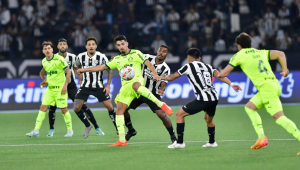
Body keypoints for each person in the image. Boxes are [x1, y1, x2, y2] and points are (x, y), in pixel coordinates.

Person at [77, 35, 173, 147]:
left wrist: (155, 74)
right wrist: (84, 70)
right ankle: (122, 140)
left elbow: (148, 63)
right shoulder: (117, 59)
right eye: (118, 45)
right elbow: (102, 67)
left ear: (127, 44)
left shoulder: (136, 53)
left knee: (136, 86)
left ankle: (162, 104)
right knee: (119, 111)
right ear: (117, 46)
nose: (121, 46)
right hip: (125, 88)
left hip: (137, 82)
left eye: (122, 44)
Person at [218, 32, 300, 152]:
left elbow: (224, 74)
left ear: (239, 46)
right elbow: (280, 54)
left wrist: (217, 74)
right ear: (251, 44)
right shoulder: (260, 52)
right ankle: (261, 137)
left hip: (267, 88)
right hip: (273, 85)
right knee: (250, 107)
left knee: (279, 118)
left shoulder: (239, 55)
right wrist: (285, 70)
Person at [162, 48, 241, 149]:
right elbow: (220, 76)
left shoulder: (188, 66)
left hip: (203, 99)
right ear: (199, 58)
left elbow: (172, 77)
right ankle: (212, 142)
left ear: (188, 59)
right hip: (214, 98)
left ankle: (180, 143)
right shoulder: (208, 66)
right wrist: (232, 84)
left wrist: (163, 77)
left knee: (179, 114)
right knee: (208, 120)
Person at [47, 38, 104, 137]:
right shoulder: (53, 57)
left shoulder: (73, 57)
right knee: (52, 107)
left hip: (71, 85)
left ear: (67, 46)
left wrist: (81, 81)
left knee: (82, 106)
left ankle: (96, 127)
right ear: (57, 47)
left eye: (64, 44)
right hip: (58, 86)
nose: (62, 46)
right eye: (60, 44)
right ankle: (51, 130)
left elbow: (77, 69)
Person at [124, 45, 177, 143]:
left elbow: (164, 82)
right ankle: (131, 130)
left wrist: (162, 89)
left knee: (162, 115)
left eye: (164, 51)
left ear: (167, 54)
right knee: (122, 109)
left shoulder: (165, 68)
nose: (161, 53)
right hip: (139, 91)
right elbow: (132, 56)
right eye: (160, 50)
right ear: (157, 51)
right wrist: (119, 58)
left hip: (152, 94)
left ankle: (173, 137)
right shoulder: (147, 57)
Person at [26, 41, 73, 137]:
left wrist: (65, 86)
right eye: (45, 49)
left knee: (64, 110)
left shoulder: (59, 59)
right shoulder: (44, 61)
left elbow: (68, 72)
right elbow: (42, 72)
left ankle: (70, 130)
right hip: (50, 90)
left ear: (52, 49)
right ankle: (36, 130)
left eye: (49, 48)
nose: (47, 50)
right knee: (42, 108)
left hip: (60, 89)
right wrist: (45, 80)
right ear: (43, 51)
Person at [74, 37, 117, 138]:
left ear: (96, 46)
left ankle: (118, 128)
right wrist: (80, 79)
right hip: (85, 86)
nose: (91, 46)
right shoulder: (80, 56)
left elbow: (109, 70)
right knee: (76, 108)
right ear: (86, 46)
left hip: (98, 86)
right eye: (89, 44)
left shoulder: (101, 57)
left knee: (110, 107)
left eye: (93, 44)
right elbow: (76, 67)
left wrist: (108, 85)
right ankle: (88, 125)